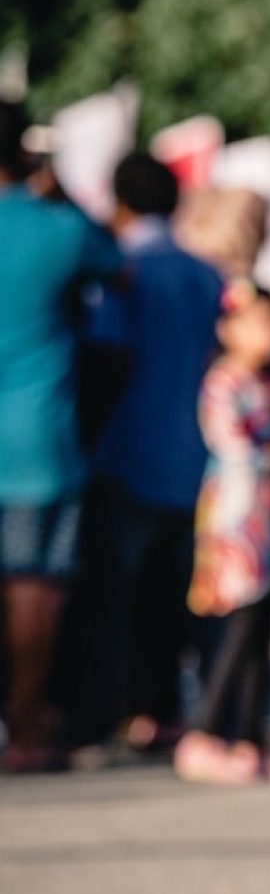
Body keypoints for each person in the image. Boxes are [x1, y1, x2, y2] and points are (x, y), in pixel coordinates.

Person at [71, 151, 224, 754]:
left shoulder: (124, 269)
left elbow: (108, 354)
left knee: (111, 599)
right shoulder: (206, 273)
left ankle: (105, 715)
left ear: (120, 200)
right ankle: (160, 715)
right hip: (192, 460)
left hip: (127, 452)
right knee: (169, 600)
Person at [0, 101, 123, 772]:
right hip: (36, 435)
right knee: (34, 583)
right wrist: (56, 190)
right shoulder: (54, 227)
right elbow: (117, 264)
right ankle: (23, 724)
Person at [173, 284, 270, 784]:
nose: (269, 334)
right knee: (238, 624)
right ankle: (206, 732)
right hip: (234, 518)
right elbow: (234, 447)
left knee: (262, 624)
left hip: (264, 515)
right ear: (228, 330)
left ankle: (248, 737)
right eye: (257, 322)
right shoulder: (223, 383)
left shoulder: (264, 384)